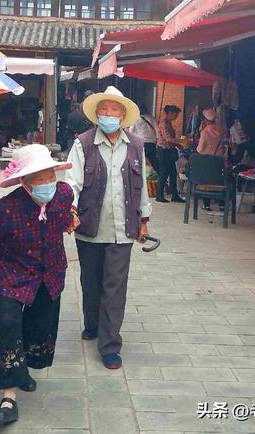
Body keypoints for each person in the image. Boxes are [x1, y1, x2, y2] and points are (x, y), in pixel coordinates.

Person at [0, 145, 75, 424]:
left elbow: (64, 218)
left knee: (38, 326)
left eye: (51, 174)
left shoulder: (63, 195)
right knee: (10, 327)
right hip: (13, 275)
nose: (49, 183)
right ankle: (9, 396)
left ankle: (24, 369)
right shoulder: (5, 210)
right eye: (40, 178)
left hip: (50, 274)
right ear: (24, 183)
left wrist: (69, 222)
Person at [66, 86, 151, 370]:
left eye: (115, 110)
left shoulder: (137, 145)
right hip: (89, 225)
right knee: (90, 282)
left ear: (123, 115)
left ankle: (110, 344)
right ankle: (92, 324)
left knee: (114, 286)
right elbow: (72, 181)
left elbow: (142, 189)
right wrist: (71, 210)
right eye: (104, 109)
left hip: (122, 228)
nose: (109, 114)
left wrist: (144, 220)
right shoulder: (83, 143)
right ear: (96, 114)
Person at [196, 108, 225, 211]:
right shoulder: (222, 129)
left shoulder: (205, 132)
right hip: (219, 160)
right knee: (219, 181)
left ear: (206, 120)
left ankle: (206, 205)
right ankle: (222, 205)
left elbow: (200, 149)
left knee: (206, 181)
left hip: (206, 160)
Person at [156, 105, 184, 203]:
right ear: (169, 113)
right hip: (164, 151)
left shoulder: (169, 123)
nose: (176, 117)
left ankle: (174, 195)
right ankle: (159, 195)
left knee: (173, 173)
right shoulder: (163, 124)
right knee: (164, 173)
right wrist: (180, 141)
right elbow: (167, 138)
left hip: (169, 150)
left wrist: (178, 145)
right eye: (175, 114)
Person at [129, 103, 158, 169]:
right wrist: (156, 139)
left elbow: (131, 131)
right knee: (153, 161)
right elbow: (157, 130)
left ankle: (141, 175)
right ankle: (155, 175)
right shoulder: (151, 118)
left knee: (139, 161)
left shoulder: (136, 119)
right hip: (151, 143)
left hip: (140, 142)